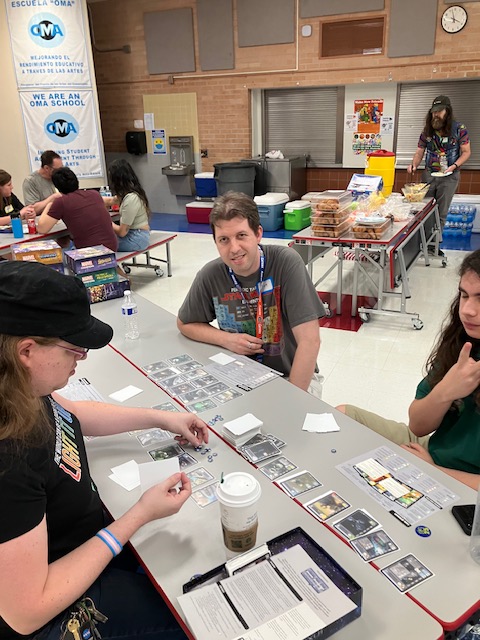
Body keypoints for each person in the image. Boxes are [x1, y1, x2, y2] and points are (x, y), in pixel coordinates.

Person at [0, 260, 209, 640]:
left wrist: (161, 418)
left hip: (81, 541)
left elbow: (72, 414)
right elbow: (26, 612)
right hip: (51, 602)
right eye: (73, 349)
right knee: (191, 619)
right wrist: (138, 515)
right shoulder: (8, 460)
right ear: (26, 350)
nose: (81, 358)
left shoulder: (22, 386)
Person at [337, 249, 480, 490]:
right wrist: (445, 391)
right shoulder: (462, 342)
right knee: (341, 417)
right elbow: (418, 426)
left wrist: (433, 472)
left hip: (459, 482)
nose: (467, 309)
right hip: (431, 451)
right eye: (464, 296)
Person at [177, 191, 325, 392]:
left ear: (258, 234)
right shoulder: (211, 274)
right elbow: (185, 323)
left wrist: (292, 399)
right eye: (224, 239)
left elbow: (310, 340)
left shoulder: (285, 263)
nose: (234, 248)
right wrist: (226, 339)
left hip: (291, 376)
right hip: (240, 377)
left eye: (241, 236)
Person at [407, 95, 471, 233]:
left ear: (447, 111)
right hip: (429, 175)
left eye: (439, 111)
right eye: (434, 112)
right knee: (423, 210)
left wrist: (454, 166)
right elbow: (419, 152)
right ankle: (422, 241)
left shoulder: (459, 129)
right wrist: (414, 165)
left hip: (449, 176)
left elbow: (466, 152)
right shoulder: (427, 130)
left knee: (441, 211)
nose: (436, 115)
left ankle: (436, 242)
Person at [36, 167, 118, 252]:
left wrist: (49, 204)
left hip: (90, 252)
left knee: (59, 251)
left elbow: (42, 229)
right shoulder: (94, 194)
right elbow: (109, 201)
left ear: (57, 187)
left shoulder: (61, 202)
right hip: (111, 248)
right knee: (66, 243)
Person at [108, 159, 151, 251]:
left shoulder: (131, 199)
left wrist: (106, 221)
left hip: (136, 238)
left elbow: (122, 232)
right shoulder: (130, 192)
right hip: (136, 235)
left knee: (102, 243)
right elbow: (111, 200)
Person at [22, 150, 64, 215]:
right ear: (46, 168)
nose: (61, 172)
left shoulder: (60, 177)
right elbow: (32, 210)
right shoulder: (30, 181)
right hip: (43, 218)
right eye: (58, 169)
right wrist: (53, 198)